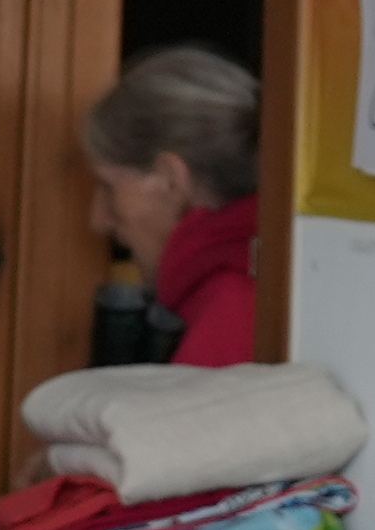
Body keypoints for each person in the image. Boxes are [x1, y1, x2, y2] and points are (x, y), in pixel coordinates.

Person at [83, 46, 259, 366]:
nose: (99, 220)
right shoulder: (260, 278)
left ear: (170, 180)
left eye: (109, 188)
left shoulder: (232, 313)